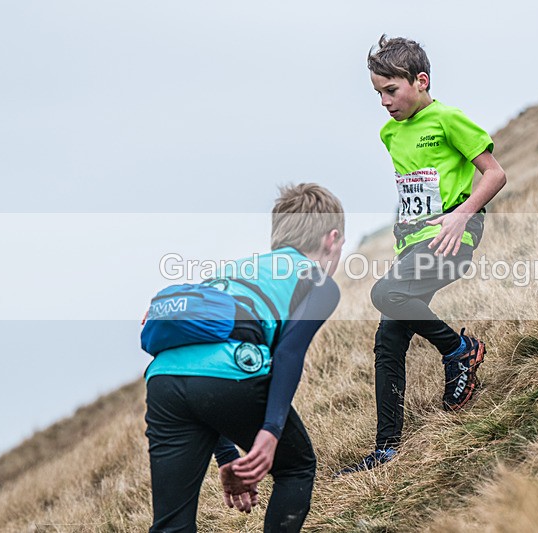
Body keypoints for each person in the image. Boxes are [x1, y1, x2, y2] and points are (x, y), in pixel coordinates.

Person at [338, 36, 507, 474]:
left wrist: (462, 215)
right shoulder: (389, 133)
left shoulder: (448, 119)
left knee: (384, 294)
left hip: (455, 233)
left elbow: (495, 174)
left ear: (421, 80)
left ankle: (459, 350)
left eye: (391, 91)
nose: (384, 102)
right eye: (377, 93)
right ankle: (386, 449)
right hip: (413, 242)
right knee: (388, 341)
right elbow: (416, 190)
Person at [143, 183, 344, 532]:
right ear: (332, 238)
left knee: (171, 525)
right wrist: (270, 432)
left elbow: (199, 363)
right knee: (295, 466)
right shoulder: (318, 281)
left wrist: (227, 454)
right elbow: (289, 352)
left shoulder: (235, 270)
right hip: (232, 372)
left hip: (163, 379)